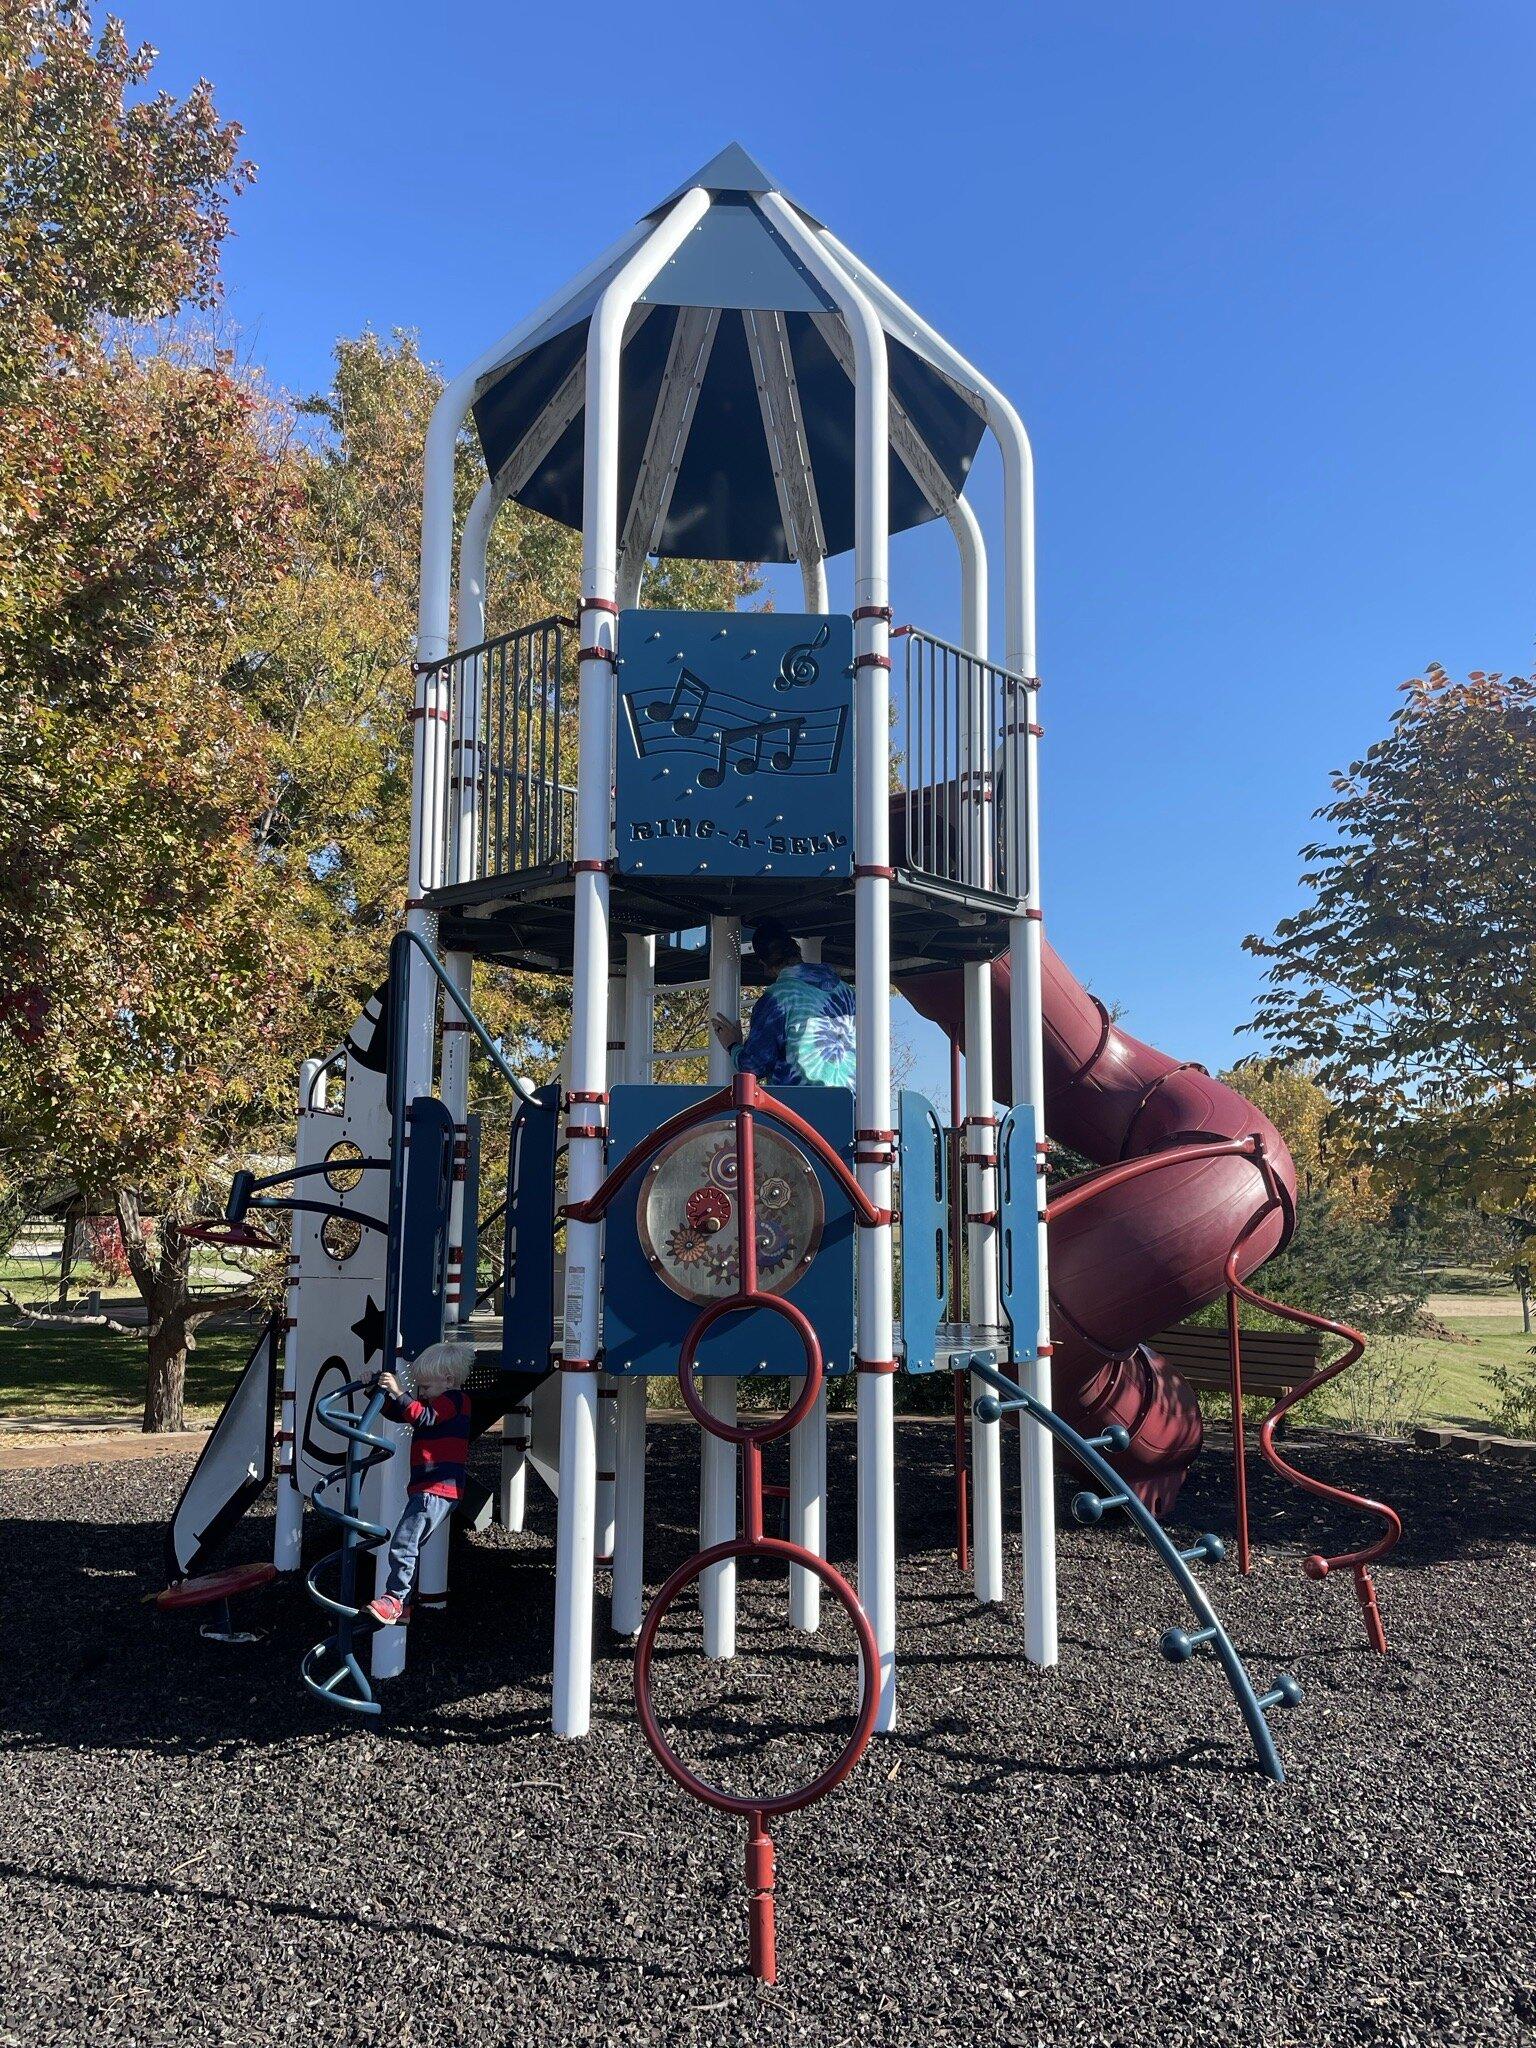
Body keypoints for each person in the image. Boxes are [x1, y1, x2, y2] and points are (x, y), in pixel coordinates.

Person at [365, 1341, 475, 1626]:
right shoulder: (438, 1402)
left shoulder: (455, 1401)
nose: (421, 1393)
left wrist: (399, 1391)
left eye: (425, 1387)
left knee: (403, 1543)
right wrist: (375, 1392)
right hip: (431, 1489)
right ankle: (403, 1606)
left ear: (448, 1380)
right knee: (410, 1544)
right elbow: (402, 1413)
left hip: (435, 1489)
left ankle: (394, 1599)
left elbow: (421, 1416)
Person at [710, 917, 856, 1088]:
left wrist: (733, 1045)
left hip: (800, 1102)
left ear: (763, 963)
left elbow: (754, 1065)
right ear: (796, 948)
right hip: (852, 1100)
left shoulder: (778, 998)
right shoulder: (848, 992)